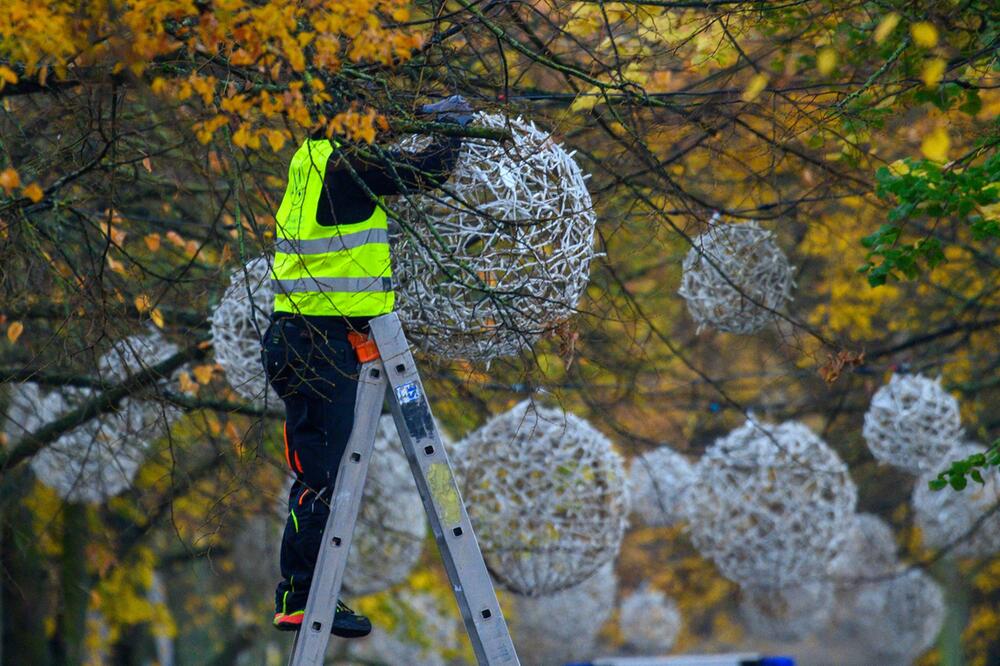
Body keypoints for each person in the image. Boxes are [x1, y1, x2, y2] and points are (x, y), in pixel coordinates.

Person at [261, 96, 473, 636]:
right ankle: (303, 597)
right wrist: (454, 129)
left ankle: (306, 594)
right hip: (316, 345)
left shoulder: (313, 157)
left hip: (312, 336)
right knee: (323, 479)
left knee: (321, 474)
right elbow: (426, 172)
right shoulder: (344, 167)